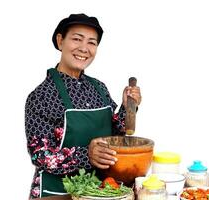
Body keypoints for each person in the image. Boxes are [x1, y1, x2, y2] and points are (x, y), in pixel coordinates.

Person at [25, 13, 141, 199]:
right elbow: (40, 155)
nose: (84, 48)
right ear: (60, 40)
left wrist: (128, 108)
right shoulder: (41, 96)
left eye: (92, 42)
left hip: (101, 190)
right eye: (77, 39)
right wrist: (87, 155)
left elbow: (115, 137)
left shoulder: (99, 88)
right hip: (57, 194)